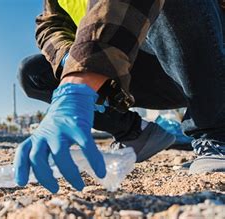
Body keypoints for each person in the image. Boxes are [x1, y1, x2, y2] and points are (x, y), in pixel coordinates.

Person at [15, 0, 225, 193]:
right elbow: (49, 25)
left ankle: (217, 133)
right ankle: (134, 133)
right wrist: (70, 60)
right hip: (143, 65)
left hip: (210, 55)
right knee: (33, 73)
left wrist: (80, 80)